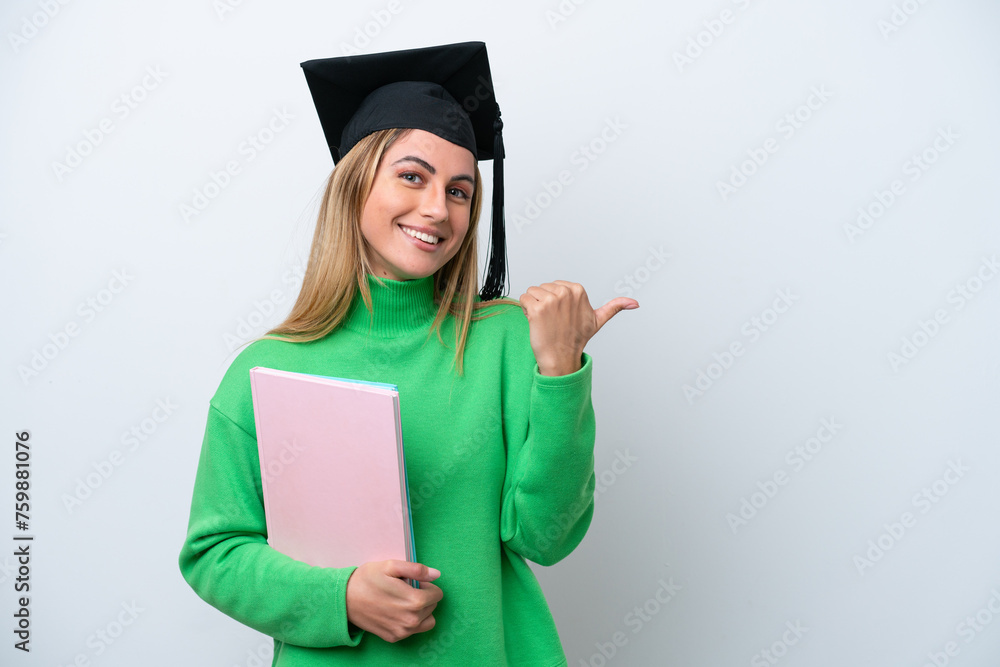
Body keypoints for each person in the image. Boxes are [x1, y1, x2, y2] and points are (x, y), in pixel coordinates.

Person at [178, 41, 638, 666]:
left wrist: (561, 371)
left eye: (460, 190)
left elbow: (546, 537)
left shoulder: (505, 340)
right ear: (356, 181)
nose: (436, 209)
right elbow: (214, 553)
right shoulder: (267, 369)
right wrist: (339, 596)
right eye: (412, 176)